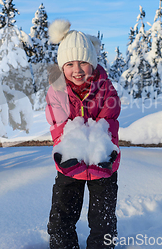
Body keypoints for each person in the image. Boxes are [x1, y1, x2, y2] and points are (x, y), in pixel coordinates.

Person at [45, 19, 121, 249]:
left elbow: (109, 121)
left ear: (93, 64)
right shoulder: (57, 91)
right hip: (70, 164)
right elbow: (57, 123)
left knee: (103, 221)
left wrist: (104, 151)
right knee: (61, 218)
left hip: (102, 166)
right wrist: (66, 149)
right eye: (70, 64)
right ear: (61, 67)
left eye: (83, 63)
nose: (76, 70)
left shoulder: (105, 88)